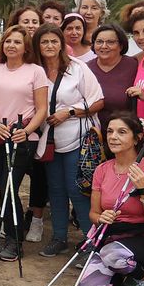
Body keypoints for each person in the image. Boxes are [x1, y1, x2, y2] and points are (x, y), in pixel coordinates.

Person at [75, 112, 144, 286]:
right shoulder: (102, 169)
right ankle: (126, 274)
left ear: (137, 138)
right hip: (114, 239)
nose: (113, 137)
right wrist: (101, 217)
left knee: (113, 255)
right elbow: (93, 214)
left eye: (122, 132)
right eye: (110, 131)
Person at [0, 24, 49, 261]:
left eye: (17, 42)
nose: (11, 45)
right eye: (8, 41)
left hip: (22, 138)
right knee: (2, 186)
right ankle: (10, 234)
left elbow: (42, 109)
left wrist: (27, 130)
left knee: (10, 187)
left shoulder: (35, 71)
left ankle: (14, 240)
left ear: (25, 46)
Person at [35, 24, 104, 257]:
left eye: (54, 41)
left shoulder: (78, 68)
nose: (49, 46)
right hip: (49, 140)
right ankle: (59, 236)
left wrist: (70, 112)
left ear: (61, 44)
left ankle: (90, 242)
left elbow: (98, 102)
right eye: (44, 42)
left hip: (78, 137)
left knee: (78, 189)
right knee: (55, 190)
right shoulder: (35, 70)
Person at [88, 24, 140, 129]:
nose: (104, 46)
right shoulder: (85, 69)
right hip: (92, 135)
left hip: (124, 134)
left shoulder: (133, 65)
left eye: (110, 42)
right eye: (99, 42)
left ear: (121, 45)